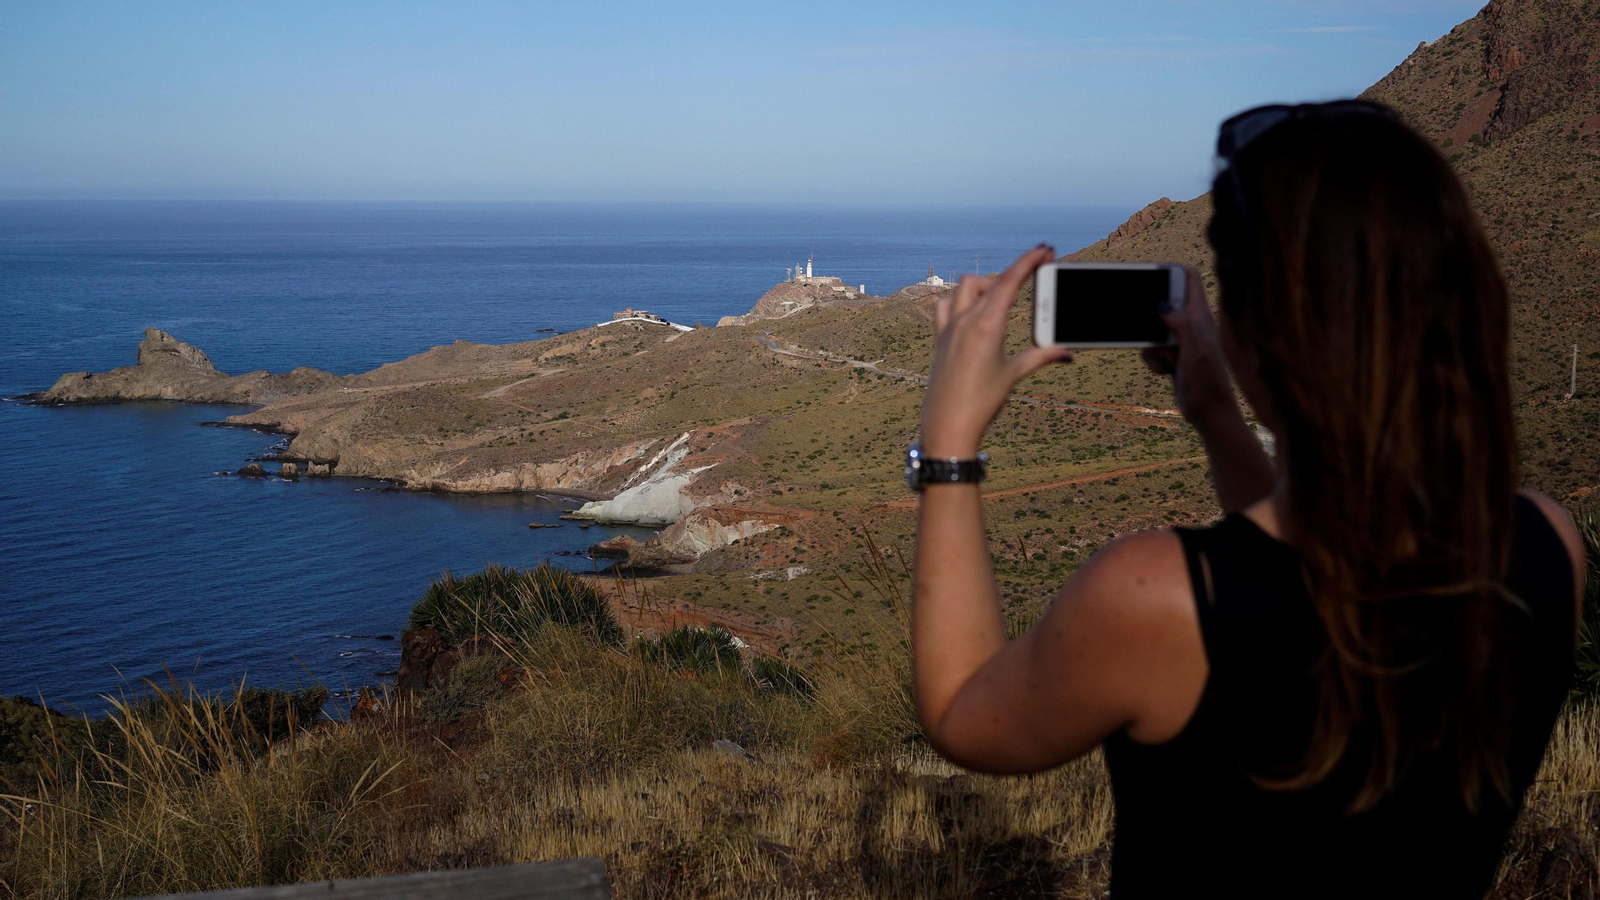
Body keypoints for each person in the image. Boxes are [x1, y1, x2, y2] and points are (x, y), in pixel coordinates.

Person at [908, 100, 1588, 898]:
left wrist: (948, 444)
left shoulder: (1154, 597)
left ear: (1261, 338)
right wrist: (1217, 416)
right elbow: (1313, 577)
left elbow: (961, 712)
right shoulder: (1548, 547)